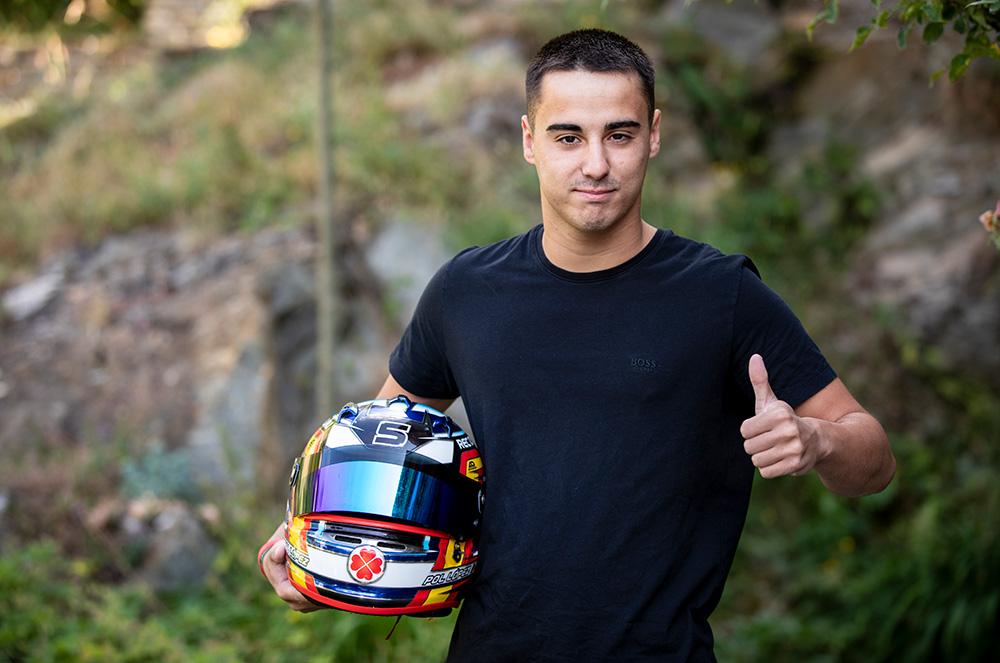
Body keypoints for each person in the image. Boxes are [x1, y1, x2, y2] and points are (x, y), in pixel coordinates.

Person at [260, 28, 896, 662]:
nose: (595, 164)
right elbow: (374, 446)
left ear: (653, 135)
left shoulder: (722, 295)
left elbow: (874, 458)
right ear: (529, 140)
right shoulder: (466, 291)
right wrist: (315, 552)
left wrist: (817, 441)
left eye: (619, 135)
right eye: (568, 137)